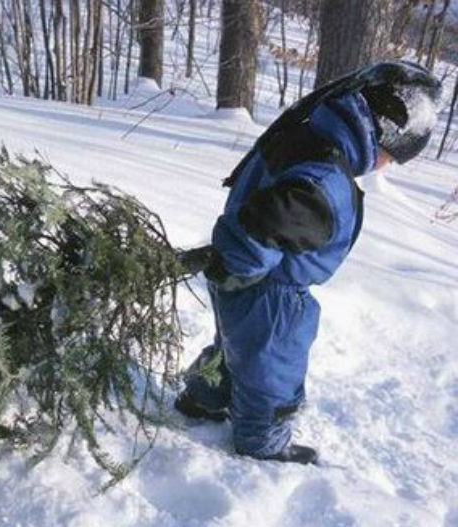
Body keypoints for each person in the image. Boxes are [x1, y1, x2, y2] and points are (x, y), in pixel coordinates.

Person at [175, 61, 442, 465]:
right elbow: (268, 225)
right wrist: (236, 262)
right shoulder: (325, 181)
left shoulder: (306, 131)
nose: (385, 165)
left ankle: (203, 398)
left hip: (242, 277)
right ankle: (261, 441)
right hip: (271, 291)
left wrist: (229, 265)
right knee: (271, 370)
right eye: (391, 156)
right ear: (382, 131)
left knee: (234, 343)